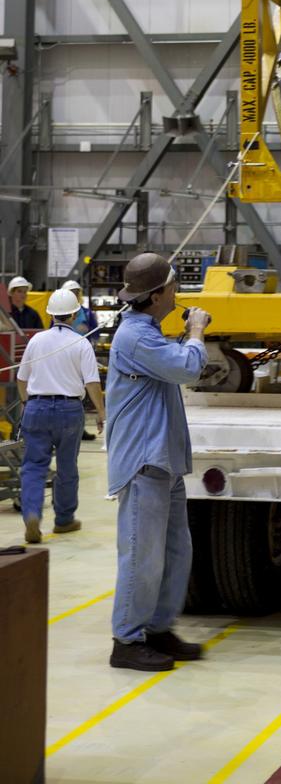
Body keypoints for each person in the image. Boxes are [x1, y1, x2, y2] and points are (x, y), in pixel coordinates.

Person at [106, 252, 210, 673]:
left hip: (164, 461)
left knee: (175, 552)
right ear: (157, 295)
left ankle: (157, 628)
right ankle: (127, 640)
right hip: (144, 462)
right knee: (141, 555)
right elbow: (188, 369)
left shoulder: (149, 332)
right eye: (172, 286)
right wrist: (197, 331)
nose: (177, 293)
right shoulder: (136, 337)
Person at [16, 287, 106, 545]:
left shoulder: (36, 341)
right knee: (67, 468)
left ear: (50, 315)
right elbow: (92, 384)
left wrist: (26, 404)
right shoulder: (81, 342)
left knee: (33, 467)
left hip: (37, 408)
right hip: (69, 411)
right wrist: (101, 412)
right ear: (74, 314)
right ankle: (64, 519)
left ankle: (32, 515)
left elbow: (22, 379)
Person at [60, 279, 100, 441]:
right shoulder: (59, 314)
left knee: (81, 393)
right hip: (63, 358)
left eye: (76, 293)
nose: (75, 296)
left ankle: (79, 428)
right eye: (71, 293)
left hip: (81, 356)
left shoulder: (88, 313)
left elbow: (95, 335)